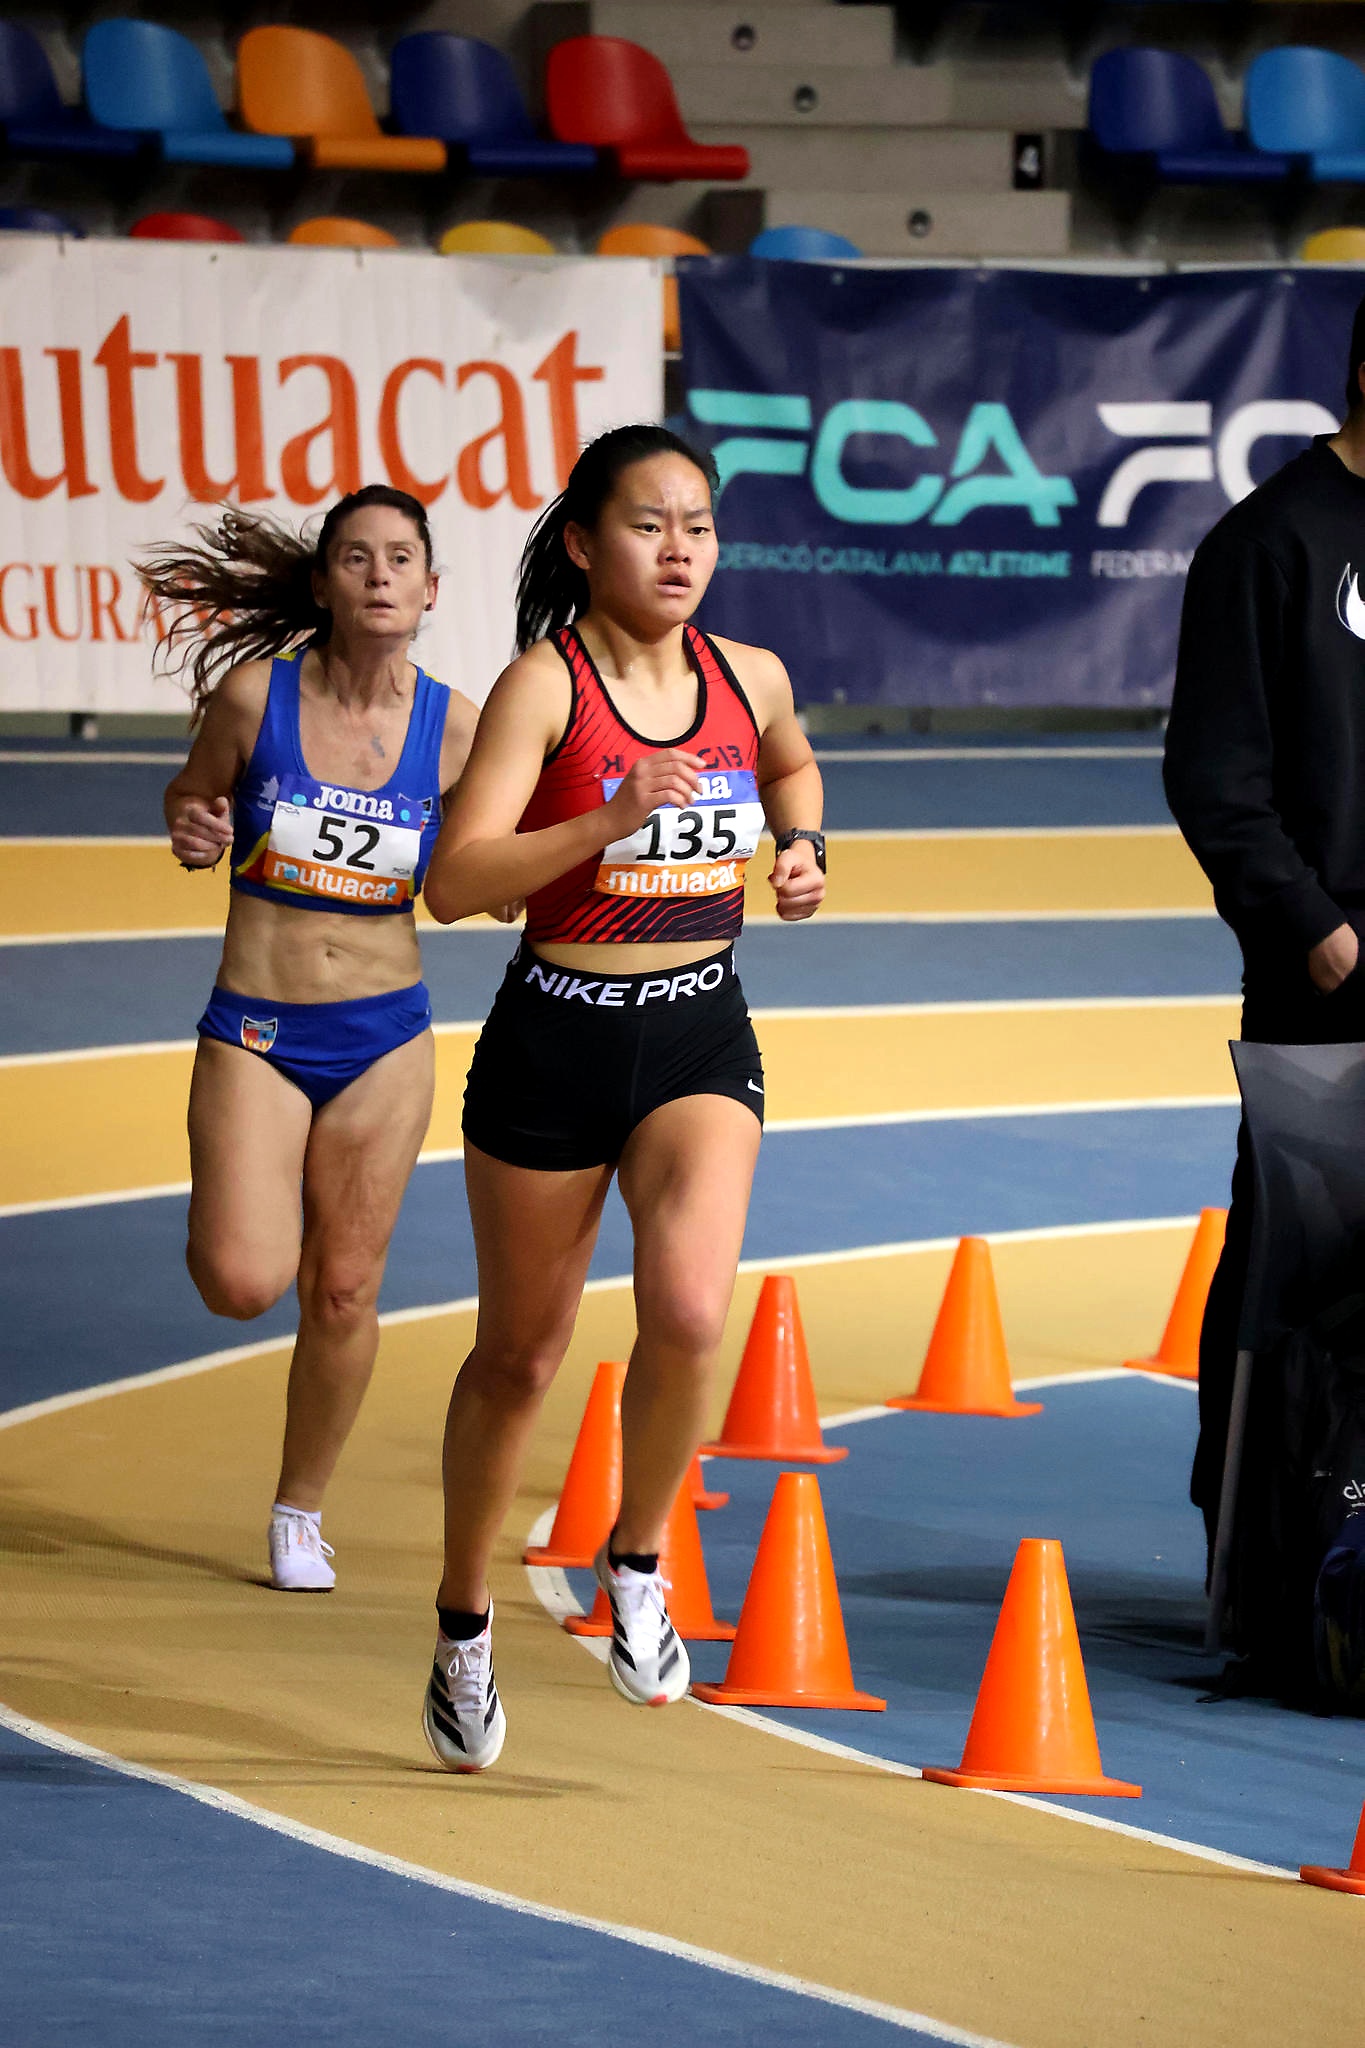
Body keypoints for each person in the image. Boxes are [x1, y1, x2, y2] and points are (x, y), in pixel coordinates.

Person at [417, 423, 826, 1773]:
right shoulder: (545, 686)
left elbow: (789, 762)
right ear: (587, 545)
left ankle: (638, 1559)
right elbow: (455, 881)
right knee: (519, 1358)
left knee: (693, 1310)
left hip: (699, 1034)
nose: (679, 549)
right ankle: (463, 1621)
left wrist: (804, 844)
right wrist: (605, 819)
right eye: (649, 525)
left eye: (697, 524)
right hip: (555, 1040)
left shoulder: (749, 674)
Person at [144, 486, 478, 1593]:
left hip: (385, 1036)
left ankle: (300, 1509)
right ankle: (247, 1206)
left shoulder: (460, 727)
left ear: (431, 590)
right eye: (356, 557)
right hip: (258, 1027)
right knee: (243, 1279)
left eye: (400, 559)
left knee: (342, 1289)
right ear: (325, 583)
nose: (380, 575)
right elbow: (192, 801)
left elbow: (482, 866)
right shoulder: (256, 696)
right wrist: (194, 827)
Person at [1164, 293, 1365, 1577]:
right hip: (1328, 981)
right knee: (1293, 1269)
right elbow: (1214, 777)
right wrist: (1313, 929)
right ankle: (1255, 1557)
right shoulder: (1268, 541)